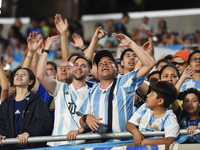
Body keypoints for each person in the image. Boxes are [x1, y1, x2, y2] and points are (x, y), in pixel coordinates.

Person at [79, 33, 155, 136]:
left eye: (109, 62)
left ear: (117, 70)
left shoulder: (125, 82)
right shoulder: (90, 92)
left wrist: (131, 43)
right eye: (100, 63)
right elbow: (82, 122)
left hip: (123, 144)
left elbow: (150, 64)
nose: (104, 64)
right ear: (97, 73)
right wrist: (85, 118)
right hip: (100, 145)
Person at [36, 34, 92, 146]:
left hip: (79, 144)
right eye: (75, 65)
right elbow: (40, 76)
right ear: (72, 69)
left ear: (89, 72)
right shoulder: (60, 87)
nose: (78, 67)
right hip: (54, 144)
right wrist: (46, 49)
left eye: (83, 66)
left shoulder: (93, 92)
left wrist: (79, 130)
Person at [0, 67, 52, 149]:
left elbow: (44, 121)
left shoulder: (37, 101)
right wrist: (1, 134)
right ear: (13, 80)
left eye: (23, 74)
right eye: (16, 74)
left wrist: (28, 133)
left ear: (30, 81)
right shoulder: (6, 103)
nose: (19, 76)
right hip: (8, 147)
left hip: (30, 146)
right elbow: (1, 123)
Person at [126, 81, 179, 146]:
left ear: (160, 101)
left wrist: (145, 142)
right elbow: (129, 124)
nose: (147, 95)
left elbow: (170, 140)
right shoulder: (144, 107)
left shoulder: (169, 117)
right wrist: (135, 132)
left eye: (152, 94)